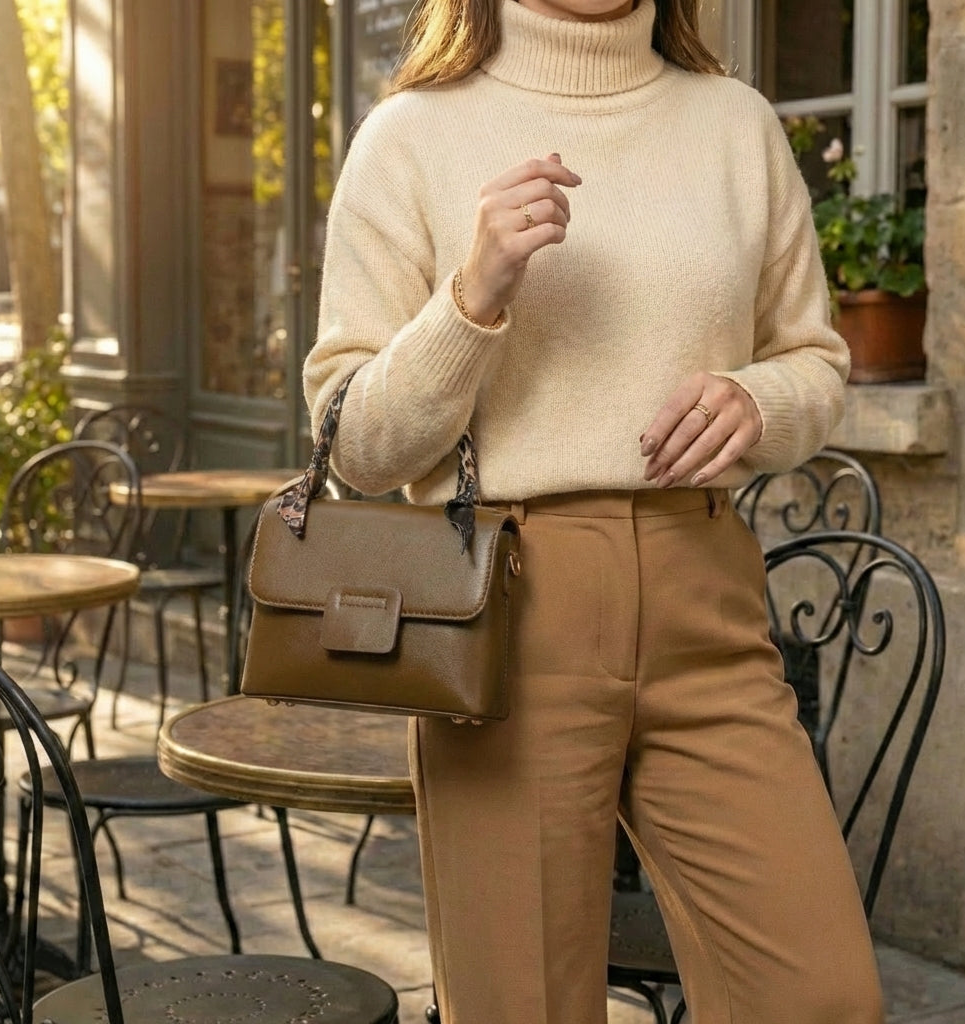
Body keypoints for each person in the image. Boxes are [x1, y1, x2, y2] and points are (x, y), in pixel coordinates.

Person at [302, 0, 885, 1020]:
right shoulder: (410, 136)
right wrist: (471, 297)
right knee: (518, 1002)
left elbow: (816, 361)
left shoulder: (734, 124)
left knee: (819, 993)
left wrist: (760, 399)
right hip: (503, 610)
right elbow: (354, 445)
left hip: (704, 591)